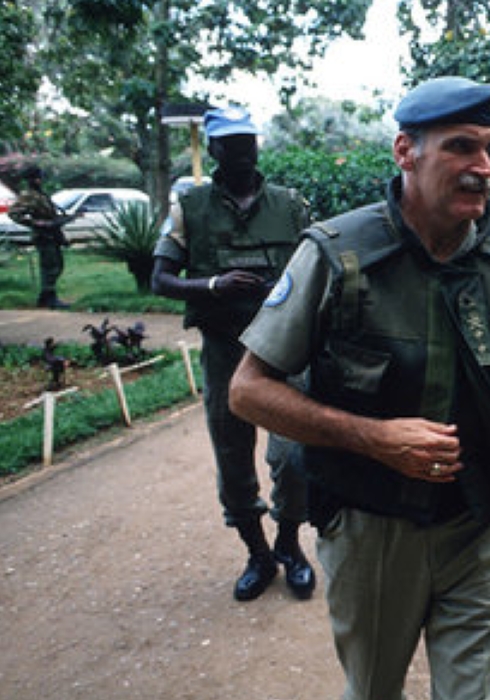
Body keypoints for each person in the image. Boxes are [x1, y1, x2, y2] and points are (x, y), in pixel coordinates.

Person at [227, 76, 490, 700]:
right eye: (462, 147)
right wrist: (372, 437)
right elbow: (248, 391)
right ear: (405, 152)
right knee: (374, 689)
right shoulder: (338, 256)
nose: (484, 167)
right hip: (373, 528)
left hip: (483, 522)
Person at [151, 106, 315, 602]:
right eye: (233, 144)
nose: (245, 152)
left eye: (250, 142)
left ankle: (289, 545)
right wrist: (213, 284)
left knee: (294, 457)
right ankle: (257, 554)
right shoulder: (189, 206)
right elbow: (160, 279)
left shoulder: (291, 205)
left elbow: (317, 274)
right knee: (233, 459)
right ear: (215, 149)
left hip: (285, 351)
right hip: (226, 351)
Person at [9, 165, 72, 309]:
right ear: (33, 179)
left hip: (52, 234)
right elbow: (13, 213)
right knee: (51, 267)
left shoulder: (41, 194)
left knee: (57, 265)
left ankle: (45, 297)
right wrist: (34, 223)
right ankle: (50, 299)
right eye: (38, 177)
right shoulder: (29, 195)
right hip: (43, 236)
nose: (40, 180)